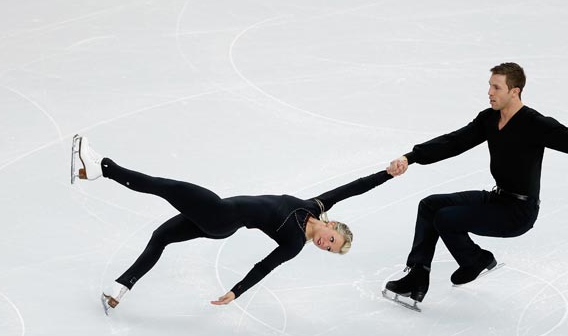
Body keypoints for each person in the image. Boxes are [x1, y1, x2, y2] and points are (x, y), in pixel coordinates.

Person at [382, 62, 568, 310]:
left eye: (496, 87)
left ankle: (475, 260)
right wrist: (412, 157)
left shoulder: (534, 124)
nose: (490, 93)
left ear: (514, 91)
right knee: (430, 205)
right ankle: (417, 276)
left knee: (445, 218)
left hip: (518, 212)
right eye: (489, 86)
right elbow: (454, 141)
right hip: (497, 198)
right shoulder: (490, 119)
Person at [71, 135, 393, 314]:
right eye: (332, 240)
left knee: (163, 186)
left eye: (329, 249)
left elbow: (263, 267)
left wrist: (236, 292)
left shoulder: (294, 243)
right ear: (332, 224)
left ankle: (101, 166)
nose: (325, 245)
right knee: (162, 236)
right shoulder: (316, 205)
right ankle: (121, 287)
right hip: (218, 218)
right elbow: (355, 187)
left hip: (221, 216)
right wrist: (387, 174)